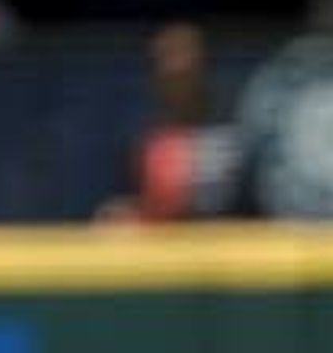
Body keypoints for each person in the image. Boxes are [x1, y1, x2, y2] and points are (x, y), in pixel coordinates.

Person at [98, 20, 249, 224]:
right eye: (167, 59)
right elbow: (122, 201)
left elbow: (260, 196)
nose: (178, 68)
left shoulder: (238, 126)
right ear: (156, 76)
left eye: (186, 57)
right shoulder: (141, 135)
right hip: (166, 247)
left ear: (203, 65)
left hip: (233, 244)